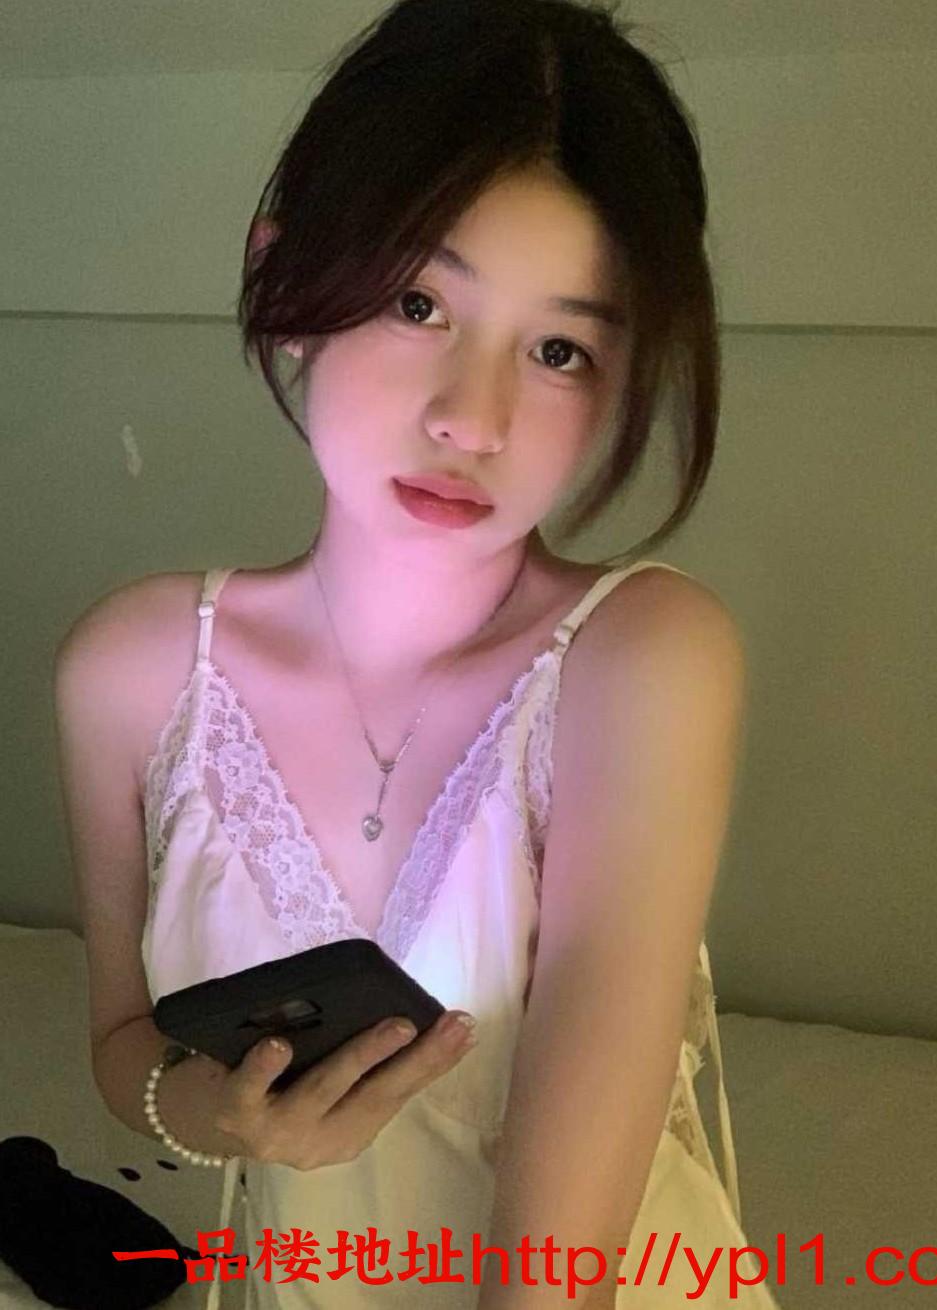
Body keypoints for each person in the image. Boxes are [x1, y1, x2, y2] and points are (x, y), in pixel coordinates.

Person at [53, 0, 783, 1306]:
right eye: (417, 301)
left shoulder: (643, 660)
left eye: (559, 349)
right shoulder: (132, 669)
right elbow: (122, 1045)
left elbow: (557, 1260)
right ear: (289, 281)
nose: (472, 419)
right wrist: (221, 1114)